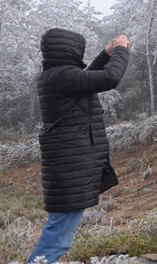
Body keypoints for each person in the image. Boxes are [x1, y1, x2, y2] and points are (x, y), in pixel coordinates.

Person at [27, 28, 130, 264]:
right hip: (70, 169)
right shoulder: (61, 77)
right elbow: (109, 78)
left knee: (58, 236)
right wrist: (121, 51)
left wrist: (105, 54)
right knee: (57, 241)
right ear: (70, 51)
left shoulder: (56, 76)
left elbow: (85, 78)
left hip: (69, 167)